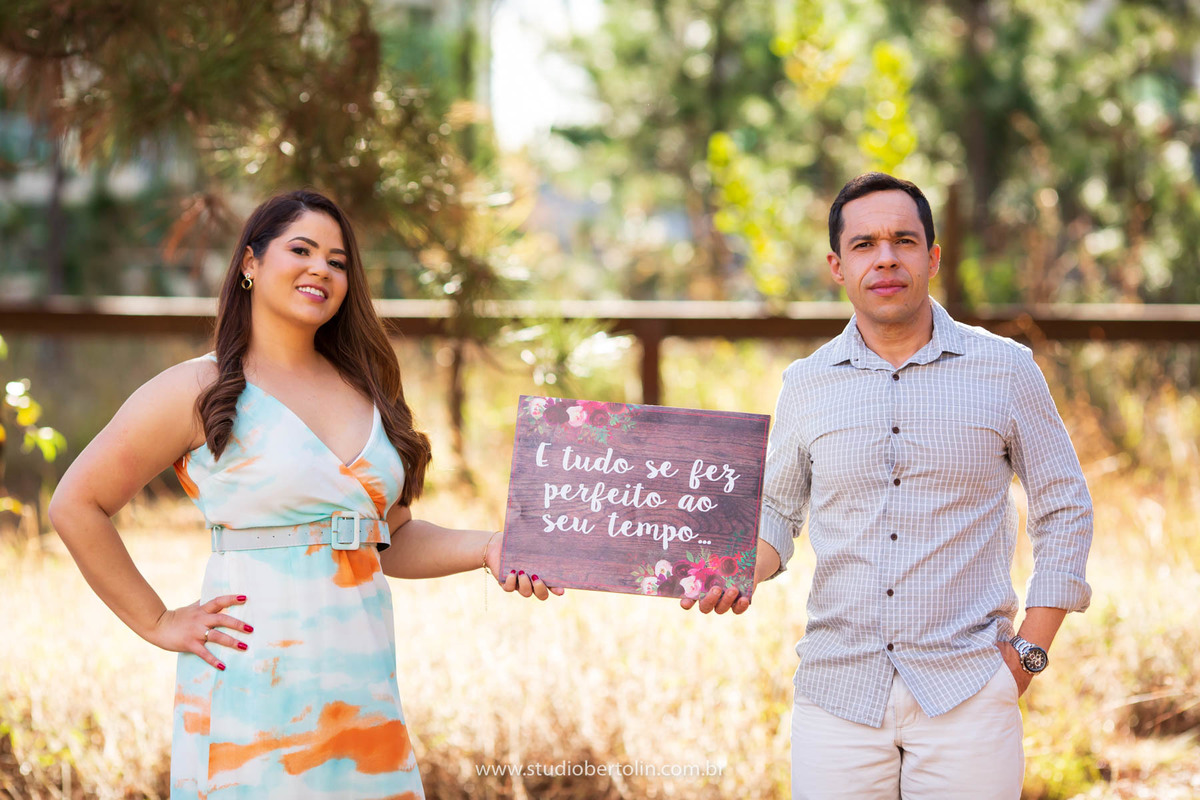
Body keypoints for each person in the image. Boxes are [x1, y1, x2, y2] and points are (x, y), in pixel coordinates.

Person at [49, 189, 560, 800]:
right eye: (302, 250)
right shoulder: (200, 388)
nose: (321, 269)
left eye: (338, 261)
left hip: (362, 688)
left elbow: (389, 538)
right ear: (250, 262)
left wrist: (488, 548)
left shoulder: (369, 387)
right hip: (252, 683)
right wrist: (157, 620)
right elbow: (76, 504)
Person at [683, 173, 1093, 799]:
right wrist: (730, 570)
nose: (885, 258)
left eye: (904, 241)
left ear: (932, 257)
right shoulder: (806, 384)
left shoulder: (1005, 369)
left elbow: (1064, 506)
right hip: (838, 697)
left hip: (969, 688)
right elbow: (776, 513)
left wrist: (1028, 655)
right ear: (837, 266)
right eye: (863, 244)